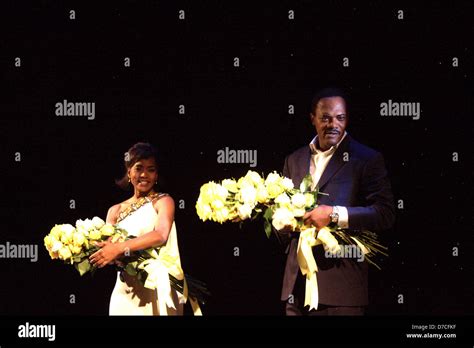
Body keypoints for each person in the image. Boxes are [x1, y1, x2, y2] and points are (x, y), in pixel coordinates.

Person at [278, 88, 395, 315]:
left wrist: (334, 214)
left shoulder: (366, 159)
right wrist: (272, 219)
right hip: (296, 289)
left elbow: (385, 213)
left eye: (340, 118)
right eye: (325, 118)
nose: (333, 124)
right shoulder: (294, 160)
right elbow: (282, 219)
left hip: (341, 291)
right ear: (312, 118)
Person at [89, 142, 185, 315]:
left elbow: (160, 235)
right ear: (129, 172)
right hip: (124, 292)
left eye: (151, 169)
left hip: (156, 289)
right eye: (139, 168)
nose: (144, 175)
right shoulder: (115, 210)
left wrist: (120, 248)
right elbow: (108, 251)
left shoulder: (163, 201)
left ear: (157, 174)